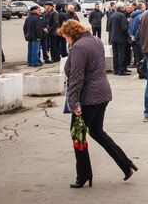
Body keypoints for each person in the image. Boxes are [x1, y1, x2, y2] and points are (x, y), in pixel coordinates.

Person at [59, 20, 137, 188]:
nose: (64, 39)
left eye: (65, 36)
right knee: (97, 131)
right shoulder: (95, 40)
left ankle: (84, 175)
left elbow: (76, 76)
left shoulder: (79, 47)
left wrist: (73, 102)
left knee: (77, 135)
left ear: (71, 33)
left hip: (89, 97)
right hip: (103, 93)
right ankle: (126, 164)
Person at [109, 3, 130, 75]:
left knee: (115, 54)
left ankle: (116, 70)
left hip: (113, 38)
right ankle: (121, 70)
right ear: (121, 8)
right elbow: (124, 28)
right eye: (124, 7)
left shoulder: (112, 15)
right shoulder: (122, 16)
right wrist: (128, 36)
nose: (125, 8)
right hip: (121, 38)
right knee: (121, 54)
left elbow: (109, 27)